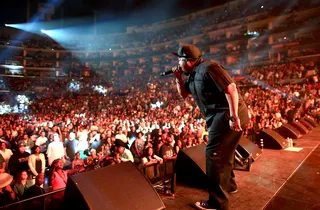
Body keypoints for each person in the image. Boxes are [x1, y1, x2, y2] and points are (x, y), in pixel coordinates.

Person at [172, 44, 249, 210]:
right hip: (219, 116)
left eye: (180, 59)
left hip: (227, 114)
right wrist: (179, 78)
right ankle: (228, 186)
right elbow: (184, 94)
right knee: (224, 153)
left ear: (188, 61)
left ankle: (217, 202)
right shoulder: (192, 75)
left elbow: (231, 88)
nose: (178, 63)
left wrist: (234, 116)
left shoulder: (209, 68)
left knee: (213, 155)